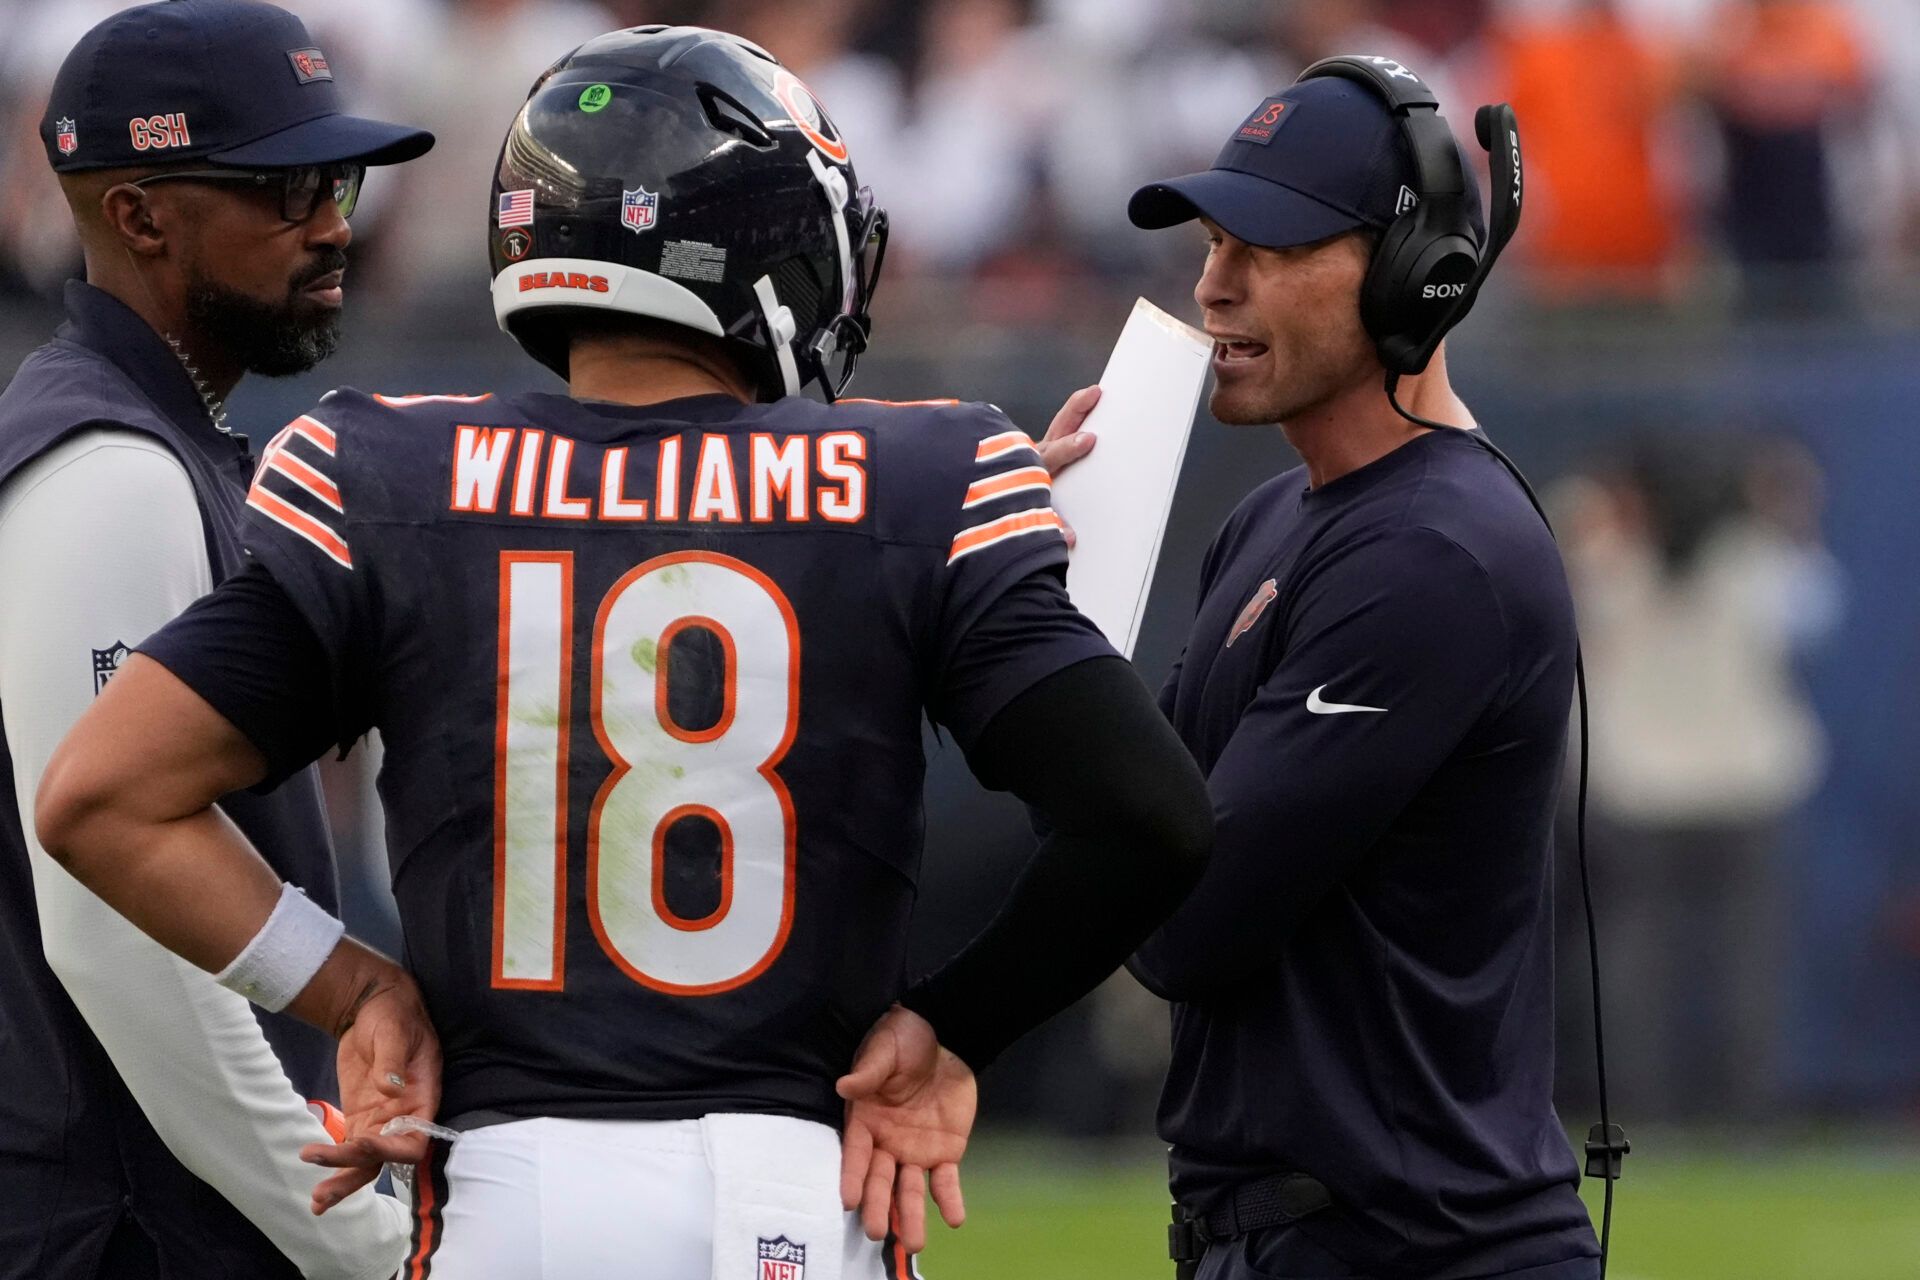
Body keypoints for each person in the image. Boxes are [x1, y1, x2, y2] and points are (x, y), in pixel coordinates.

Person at [34, 26, 1213, 1280]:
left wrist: (351, 990)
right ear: (770, 243)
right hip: (796, 1195)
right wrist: (949, 1029)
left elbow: (101, 794)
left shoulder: (385, 473)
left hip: (508, 1196)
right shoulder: (922, 477)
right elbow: (1152, 817)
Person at [1078, 57, 1602, 1279]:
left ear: (1420, 271)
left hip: (1418, 1248)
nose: (1214, 285)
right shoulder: (1268, 522)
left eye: (1265, 247)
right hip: (1290, 1238)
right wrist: (1030, 592)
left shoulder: (1433, 553)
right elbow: (1123, 815)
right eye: (1212, 244)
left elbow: (1182, 917)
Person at [0, 3, 433, 1278]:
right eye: (286, 187)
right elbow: (113, 930)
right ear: (139, 216)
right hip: (124, 1227)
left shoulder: (147, 438)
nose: (334, 222)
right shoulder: (111, 466)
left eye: (339, 179)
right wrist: (355, 1234)